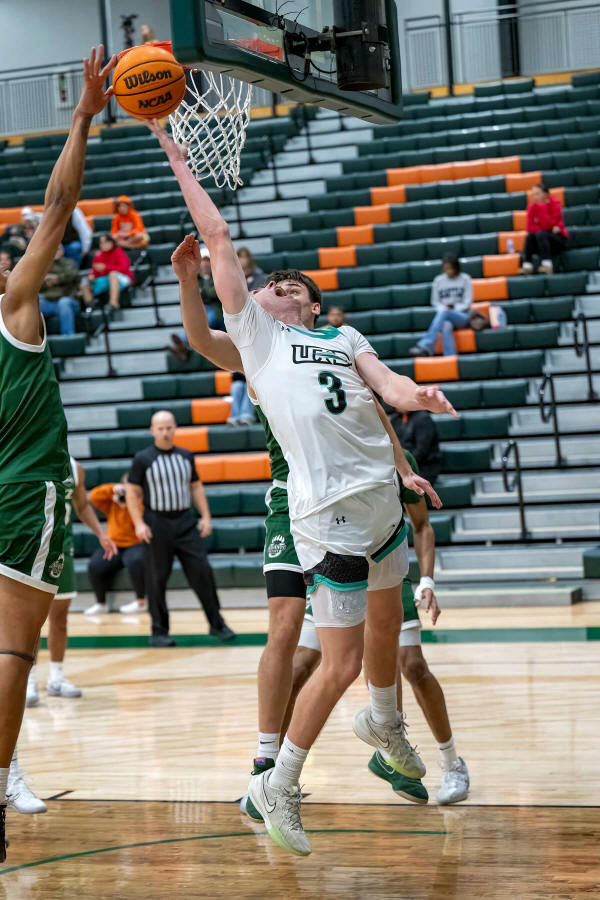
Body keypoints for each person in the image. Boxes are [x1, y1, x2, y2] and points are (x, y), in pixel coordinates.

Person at [151, 117, 457, 856]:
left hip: (382, 506)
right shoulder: (258, 340)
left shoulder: (344, 339)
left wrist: (418, 397)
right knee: (338, 660)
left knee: (384, 633)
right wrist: (174, 152)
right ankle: (277, 781)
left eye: (293, 285)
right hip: (328, 513)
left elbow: (386, 387)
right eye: (269, 282)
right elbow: (218, 237)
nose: (276, 285)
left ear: (314, 306)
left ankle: (383, 723)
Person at [0, 44, 115, 863]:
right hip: (24, 492)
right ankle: (1, 778)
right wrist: (80, 118)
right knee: (15, 650)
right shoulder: (14, 310)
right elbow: (58, 205)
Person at [283, 449, 470, 806]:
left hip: (383, 571)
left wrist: (427, 580)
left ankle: (451, 763)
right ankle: (272, 775)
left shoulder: (397, 457)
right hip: (335, 566)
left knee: (412, 664)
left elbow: (421, 525)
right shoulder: (320, 448)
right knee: (300, 666)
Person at [126, 411, 235, 647]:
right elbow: (132, 493)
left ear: (175, 428)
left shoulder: (186, 456)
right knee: (156, 580)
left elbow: (196, 487)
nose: (165, 432)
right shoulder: (142, 459)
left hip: (185, 522)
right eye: (160, 428)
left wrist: (205, 516)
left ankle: (217, 624)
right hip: (156, 523)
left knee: (202, 573)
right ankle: (159, 631)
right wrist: (139, 524)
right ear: (152, 430)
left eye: (169, 428)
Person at [26, 457, 117, 706]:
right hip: (29, 548)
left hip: (61, 548)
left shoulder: (75, 468)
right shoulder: (27, 457)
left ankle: (56, 678)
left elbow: (82, 505)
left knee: (60, 617)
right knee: (30, 619)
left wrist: (101, 534)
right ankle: (28, 679)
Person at [85, 475, 148, 616]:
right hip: (114, 545)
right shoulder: (114, 500)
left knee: (135, 561)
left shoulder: (145, 501)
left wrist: (131, 503)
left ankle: (141, 602)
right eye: (126, 487)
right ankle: (101, 603)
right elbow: (92, 496)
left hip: (136, 543)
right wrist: (112, 489)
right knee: (95, 565)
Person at [410, 255, 473, 358]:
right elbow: (435, 302)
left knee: (445, 312)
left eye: (451, 268)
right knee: (446, 326)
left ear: (456, 267)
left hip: (462, 316)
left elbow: (468, 302)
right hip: (444, 316)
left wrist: (453, 307)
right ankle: (450, 359)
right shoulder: (438, 280)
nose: (449, 271)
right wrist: (444, 308)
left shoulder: (465, 278)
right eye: (446, 268)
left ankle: (425, 345)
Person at [520, 183, 568, 275]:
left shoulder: (554, 205)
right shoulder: (532, 207)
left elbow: (551, 223)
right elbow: (530, 228)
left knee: (540, 234)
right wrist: (546, 228)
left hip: (557, 241)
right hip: (542, 241)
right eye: (533, 194)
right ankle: (527, 266)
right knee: (530, 236)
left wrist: (543, 208)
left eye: (537, 194)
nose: (535, 197)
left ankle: (547, 265)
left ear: (545, 194)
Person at [390, 410, 442, 487]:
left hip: (423, 467)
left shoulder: (423, 418)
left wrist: (403, 463)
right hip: (401, 465)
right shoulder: (395, 418)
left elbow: (422, 450)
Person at [81, 233, 133, 310]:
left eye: (105, 242)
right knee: (84, 281)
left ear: (111, 243)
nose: (103, 245)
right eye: (101, 243)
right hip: (105, 281)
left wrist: (106, 267)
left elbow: (124, 268)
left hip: (122, 279)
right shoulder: (98, 256)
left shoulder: (118, 252)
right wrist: (91, 276)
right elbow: (94, 272)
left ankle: (113, 304)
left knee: (112, 274)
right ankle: (91, 307)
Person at [39, 244, 81, 335]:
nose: (55, 252)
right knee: (36, 303)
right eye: (52, 249)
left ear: (62, 251)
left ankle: (68, 338)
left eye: (58, 249)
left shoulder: (70, 262)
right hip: (50, 302)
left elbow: (72, 276)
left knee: (64, 302)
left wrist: (57, 279)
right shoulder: (44, 266)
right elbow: (37, 286)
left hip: (69, 300)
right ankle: (38, 339)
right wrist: (45, 281)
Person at [198, 247, 222, 327]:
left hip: (215, 309)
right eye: (202, 261)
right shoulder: (195, 278)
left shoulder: (218, 276)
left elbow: (214, 293)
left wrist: (206, 279)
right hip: (199, 309)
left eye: (207, 261)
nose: (205, 264)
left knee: (207, 321)